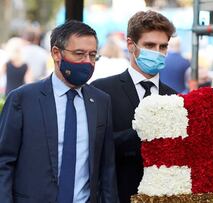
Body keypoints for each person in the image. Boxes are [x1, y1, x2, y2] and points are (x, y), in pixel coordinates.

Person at [0, 20, 118, 203]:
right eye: (79, 54)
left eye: (93, 55)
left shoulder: (101, 101)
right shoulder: (22, 99)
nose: (87, 62)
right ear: (56, 53)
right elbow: (4, 163)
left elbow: (107, 167)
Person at [91, 10, 177, 203]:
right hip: (117, 195)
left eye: (163, 47)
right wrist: (139, 134)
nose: (157, 52)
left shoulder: (174, 97)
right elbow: (94, 147)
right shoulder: (102, 90)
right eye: (149, 45)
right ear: (131, 45)